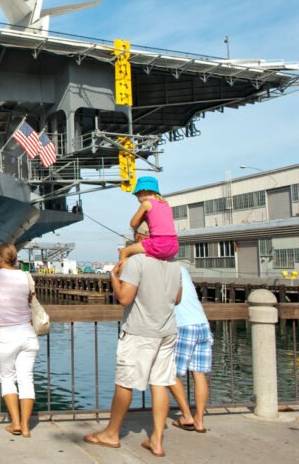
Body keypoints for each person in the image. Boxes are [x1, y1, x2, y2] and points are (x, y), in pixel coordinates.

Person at [84, 222, 182, 458]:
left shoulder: (137, 261)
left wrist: (114, 278)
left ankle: (111, 433)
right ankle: (156, 440)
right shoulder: (174, 264)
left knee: (125, 384)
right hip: (167, 331)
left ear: (140, 238)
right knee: (160, 383)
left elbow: (125, 298)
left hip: (139, 332)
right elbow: (177, 298)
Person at [0, 242, 39, 438]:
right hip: (28, 333)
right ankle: (25, 426)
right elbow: (30, 299)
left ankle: (15, 423)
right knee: (26, 379)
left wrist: (0, 301)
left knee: (7, 378)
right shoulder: (25, 275)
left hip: (6, 334)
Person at [168, 266, 213, 433]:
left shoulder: (163, 269)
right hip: (202, 324)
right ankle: (199, 421)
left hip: (183, 325)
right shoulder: (181, 268)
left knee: (168, 372)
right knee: (199, 374)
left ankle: (187, 415)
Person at [117, 177, 178, 271]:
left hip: (158, 244)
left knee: (123, 252)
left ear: (143, 193)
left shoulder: (146, 204)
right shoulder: (166, 205)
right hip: (174, 246)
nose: (138, 199)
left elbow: (133, 223)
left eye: (137, 196)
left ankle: (121, 278)